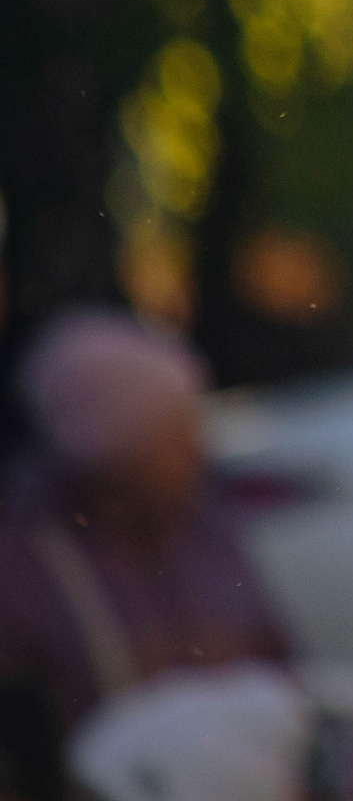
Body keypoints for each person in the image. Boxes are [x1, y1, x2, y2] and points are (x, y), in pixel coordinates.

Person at [0, 310, 295, 801]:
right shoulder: (30, 569)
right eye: (174, 434)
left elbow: (278, 658)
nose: (198, 448)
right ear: (116, 451)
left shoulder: (207, 533)